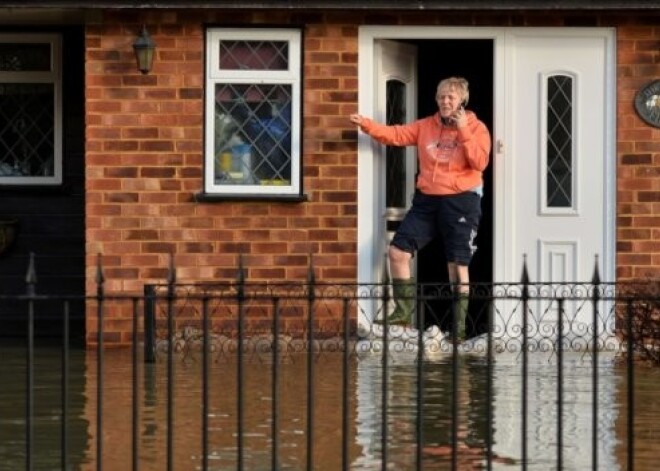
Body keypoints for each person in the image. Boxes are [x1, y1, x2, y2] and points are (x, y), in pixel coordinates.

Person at [349, 77, 491, 340]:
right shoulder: (426, 126)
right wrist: (367, 125)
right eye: (441, 97)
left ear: (462, 100)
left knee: (457, 264)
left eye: (450, 97)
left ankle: (457, 329)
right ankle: (402, 313)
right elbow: (397, 134)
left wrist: (464, 131)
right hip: (427, 199)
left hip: (462, 200)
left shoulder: (477, 127)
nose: (445, 101)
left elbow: (480, 162)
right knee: (397, 251)